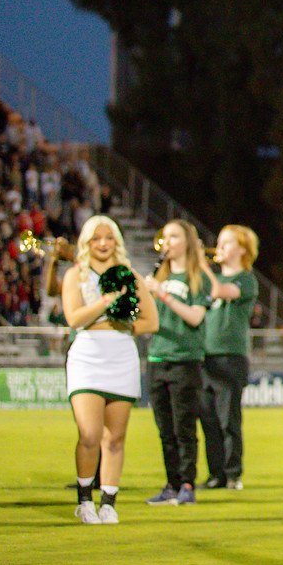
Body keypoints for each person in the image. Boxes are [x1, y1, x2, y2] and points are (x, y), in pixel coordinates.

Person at [64, 214, 159, 523]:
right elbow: (75, 318)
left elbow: (151, 322)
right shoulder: (76, 274)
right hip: (88, 355)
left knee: (115, 438)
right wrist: (107, 302)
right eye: (96, 238)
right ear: (86, 243)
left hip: (122, 356)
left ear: (116, 241)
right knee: (89, 434)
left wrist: (121, 327)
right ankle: (84, 501)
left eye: (108, 238)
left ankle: (108, 503)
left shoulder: (129, 276)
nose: (103, 243)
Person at [139, 219, 212, 506]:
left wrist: (162, 293)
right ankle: (170, 483)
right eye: (164, 237)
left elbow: (195, 317)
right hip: (157, 358)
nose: (166, 242)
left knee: (184, 428)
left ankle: (187, 484)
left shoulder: (198, 278)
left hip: (185, 360)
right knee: (164, 429)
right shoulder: (161, 275)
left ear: (187, 243)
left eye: (173, 236)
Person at [201, 224, 259, 490]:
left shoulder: (245, 279)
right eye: (219, 242)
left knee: (228, 419)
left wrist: (200, 267)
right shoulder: (208, 279)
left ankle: (233, 473)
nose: (219, 247)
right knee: (208, 420)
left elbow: (220, 292)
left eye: (227, 243)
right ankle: (216, 475)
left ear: (243, 250)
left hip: (230, 358)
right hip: (203, 357)